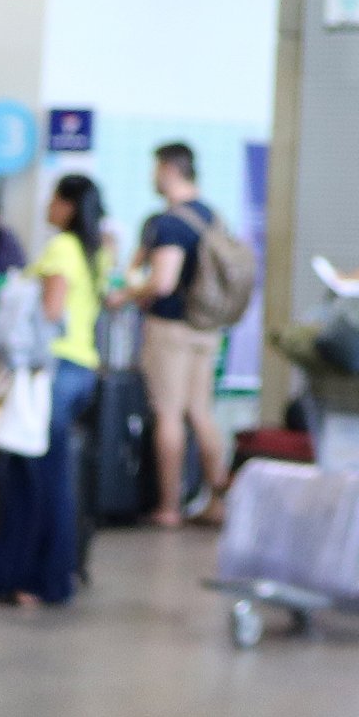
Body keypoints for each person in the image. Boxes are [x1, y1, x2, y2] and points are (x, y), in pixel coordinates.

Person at [0, 173, 109, 608]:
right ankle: (22, 575)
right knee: (40, 477)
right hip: (79, 367)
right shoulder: (94, 251)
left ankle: (44, 580)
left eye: (54, 198)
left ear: (68, 205)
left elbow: (49, 312)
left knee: (36, 480)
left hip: (50, 372)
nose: (48, 205)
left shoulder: (62, 248)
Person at [126, 144, 237, 526]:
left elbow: (163, 281)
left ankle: (169, 507)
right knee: (201, 413)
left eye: (156, 168)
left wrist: (125, 294)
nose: (153, 177)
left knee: (169, 414)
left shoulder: (169, 223)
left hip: (171, 328)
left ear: (170, 169)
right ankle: (218, 500)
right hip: (207, 328)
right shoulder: (214, 217)